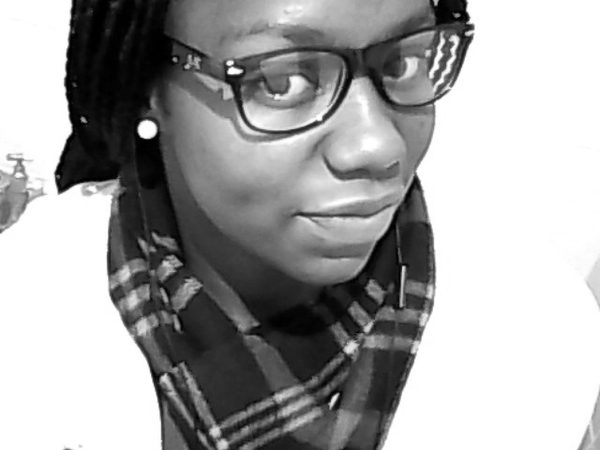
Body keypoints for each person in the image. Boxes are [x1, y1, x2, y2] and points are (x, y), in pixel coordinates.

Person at [1, 0, 599, 449]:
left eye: (403, 62)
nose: (377, 145)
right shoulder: (24, 323)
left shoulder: (538, 329)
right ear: (145, 86)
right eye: (280, 80)